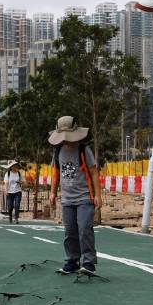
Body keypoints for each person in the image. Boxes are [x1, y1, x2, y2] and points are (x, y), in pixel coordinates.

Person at [48, 116, 101, 276]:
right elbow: (56, 174)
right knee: (69, 231)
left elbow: (93, 172)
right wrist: (52, 193)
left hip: (85, 197)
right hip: (67, 199)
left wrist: (98, 195)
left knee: (84, 229)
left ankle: (88, 263)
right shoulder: (58, 151)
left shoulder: (84, 150)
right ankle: (72, 261)